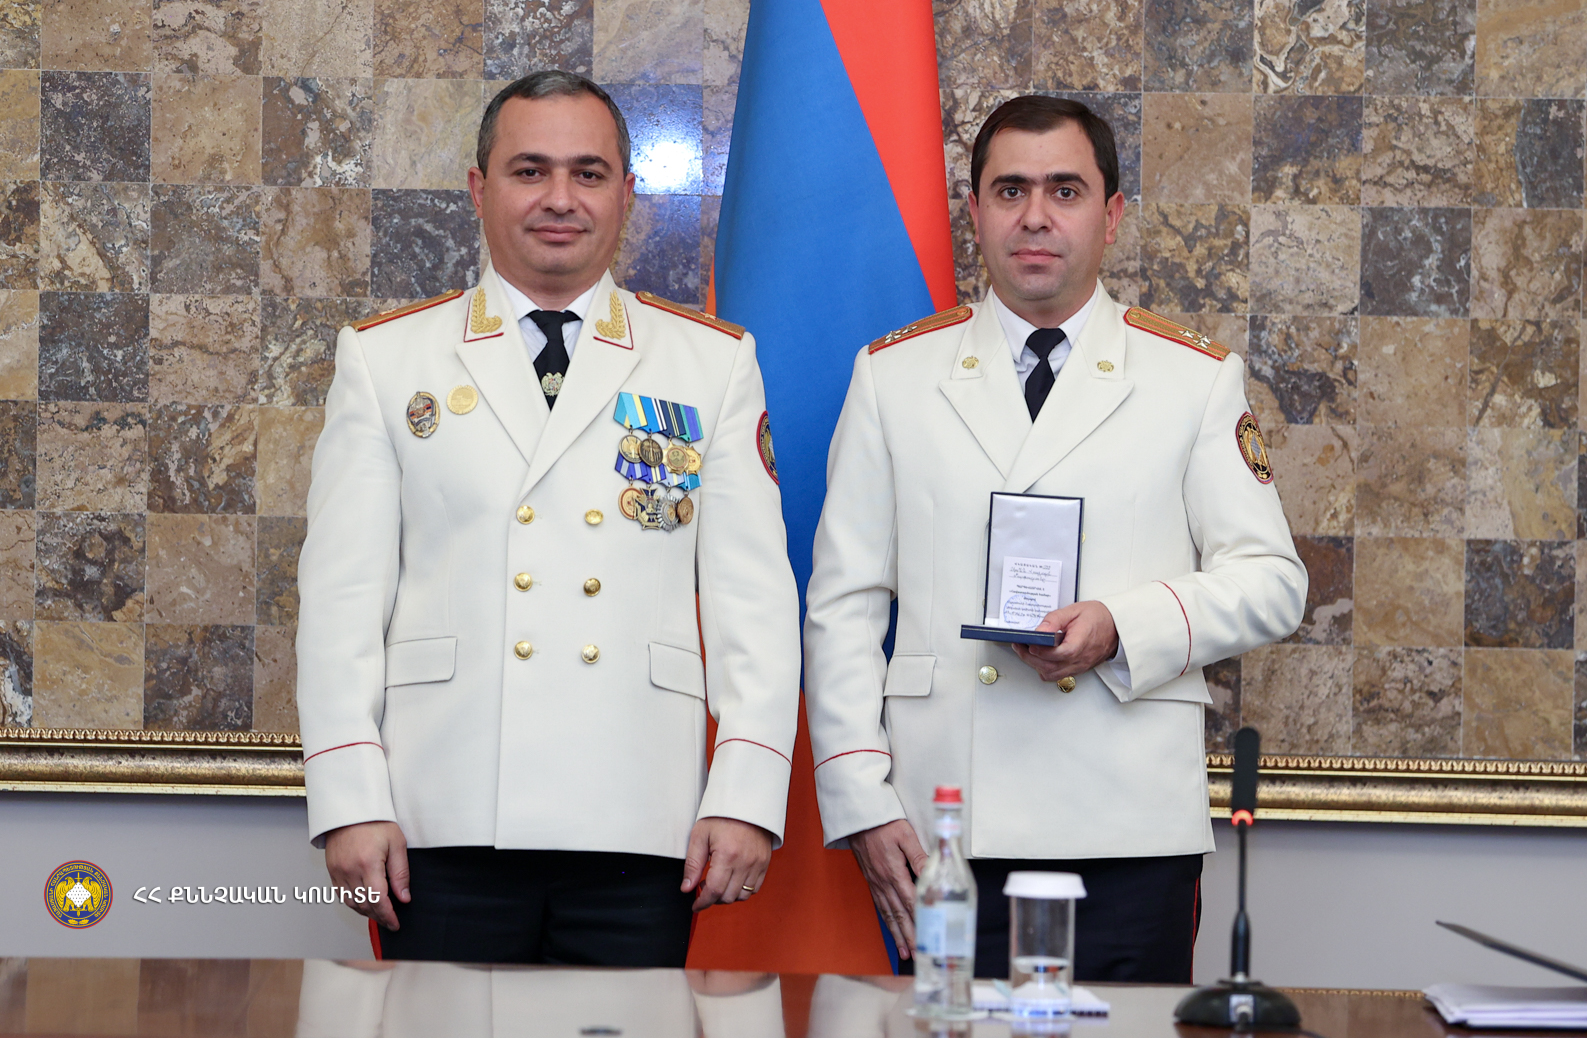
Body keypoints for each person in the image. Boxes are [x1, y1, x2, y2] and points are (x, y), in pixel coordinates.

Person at [295, 70, 801, 965]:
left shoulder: (709, 364)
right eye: (530, 171)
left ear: (627, 193)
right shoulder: (387, 359)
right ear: (478, 188)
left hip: (640, 816)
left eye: (588, 173)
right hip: (440, 812)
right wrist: (350, 800)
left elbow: (754, 606)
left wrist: (747, 795)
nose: (560, 198)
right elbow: (341, 605)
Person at [803, 95, 1307, 981]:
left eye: (1065, 190)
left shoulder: (1191, 379)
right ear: (975, 212)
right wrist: (859, 796)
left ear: (1111, 215)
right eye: (1011, 190)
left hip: (1127, 826)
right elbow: (843, 606)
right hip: (943, 822)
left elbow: (1272, 581)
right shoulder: (893, 376)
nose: (1035, 216)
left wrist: (1123, 624)